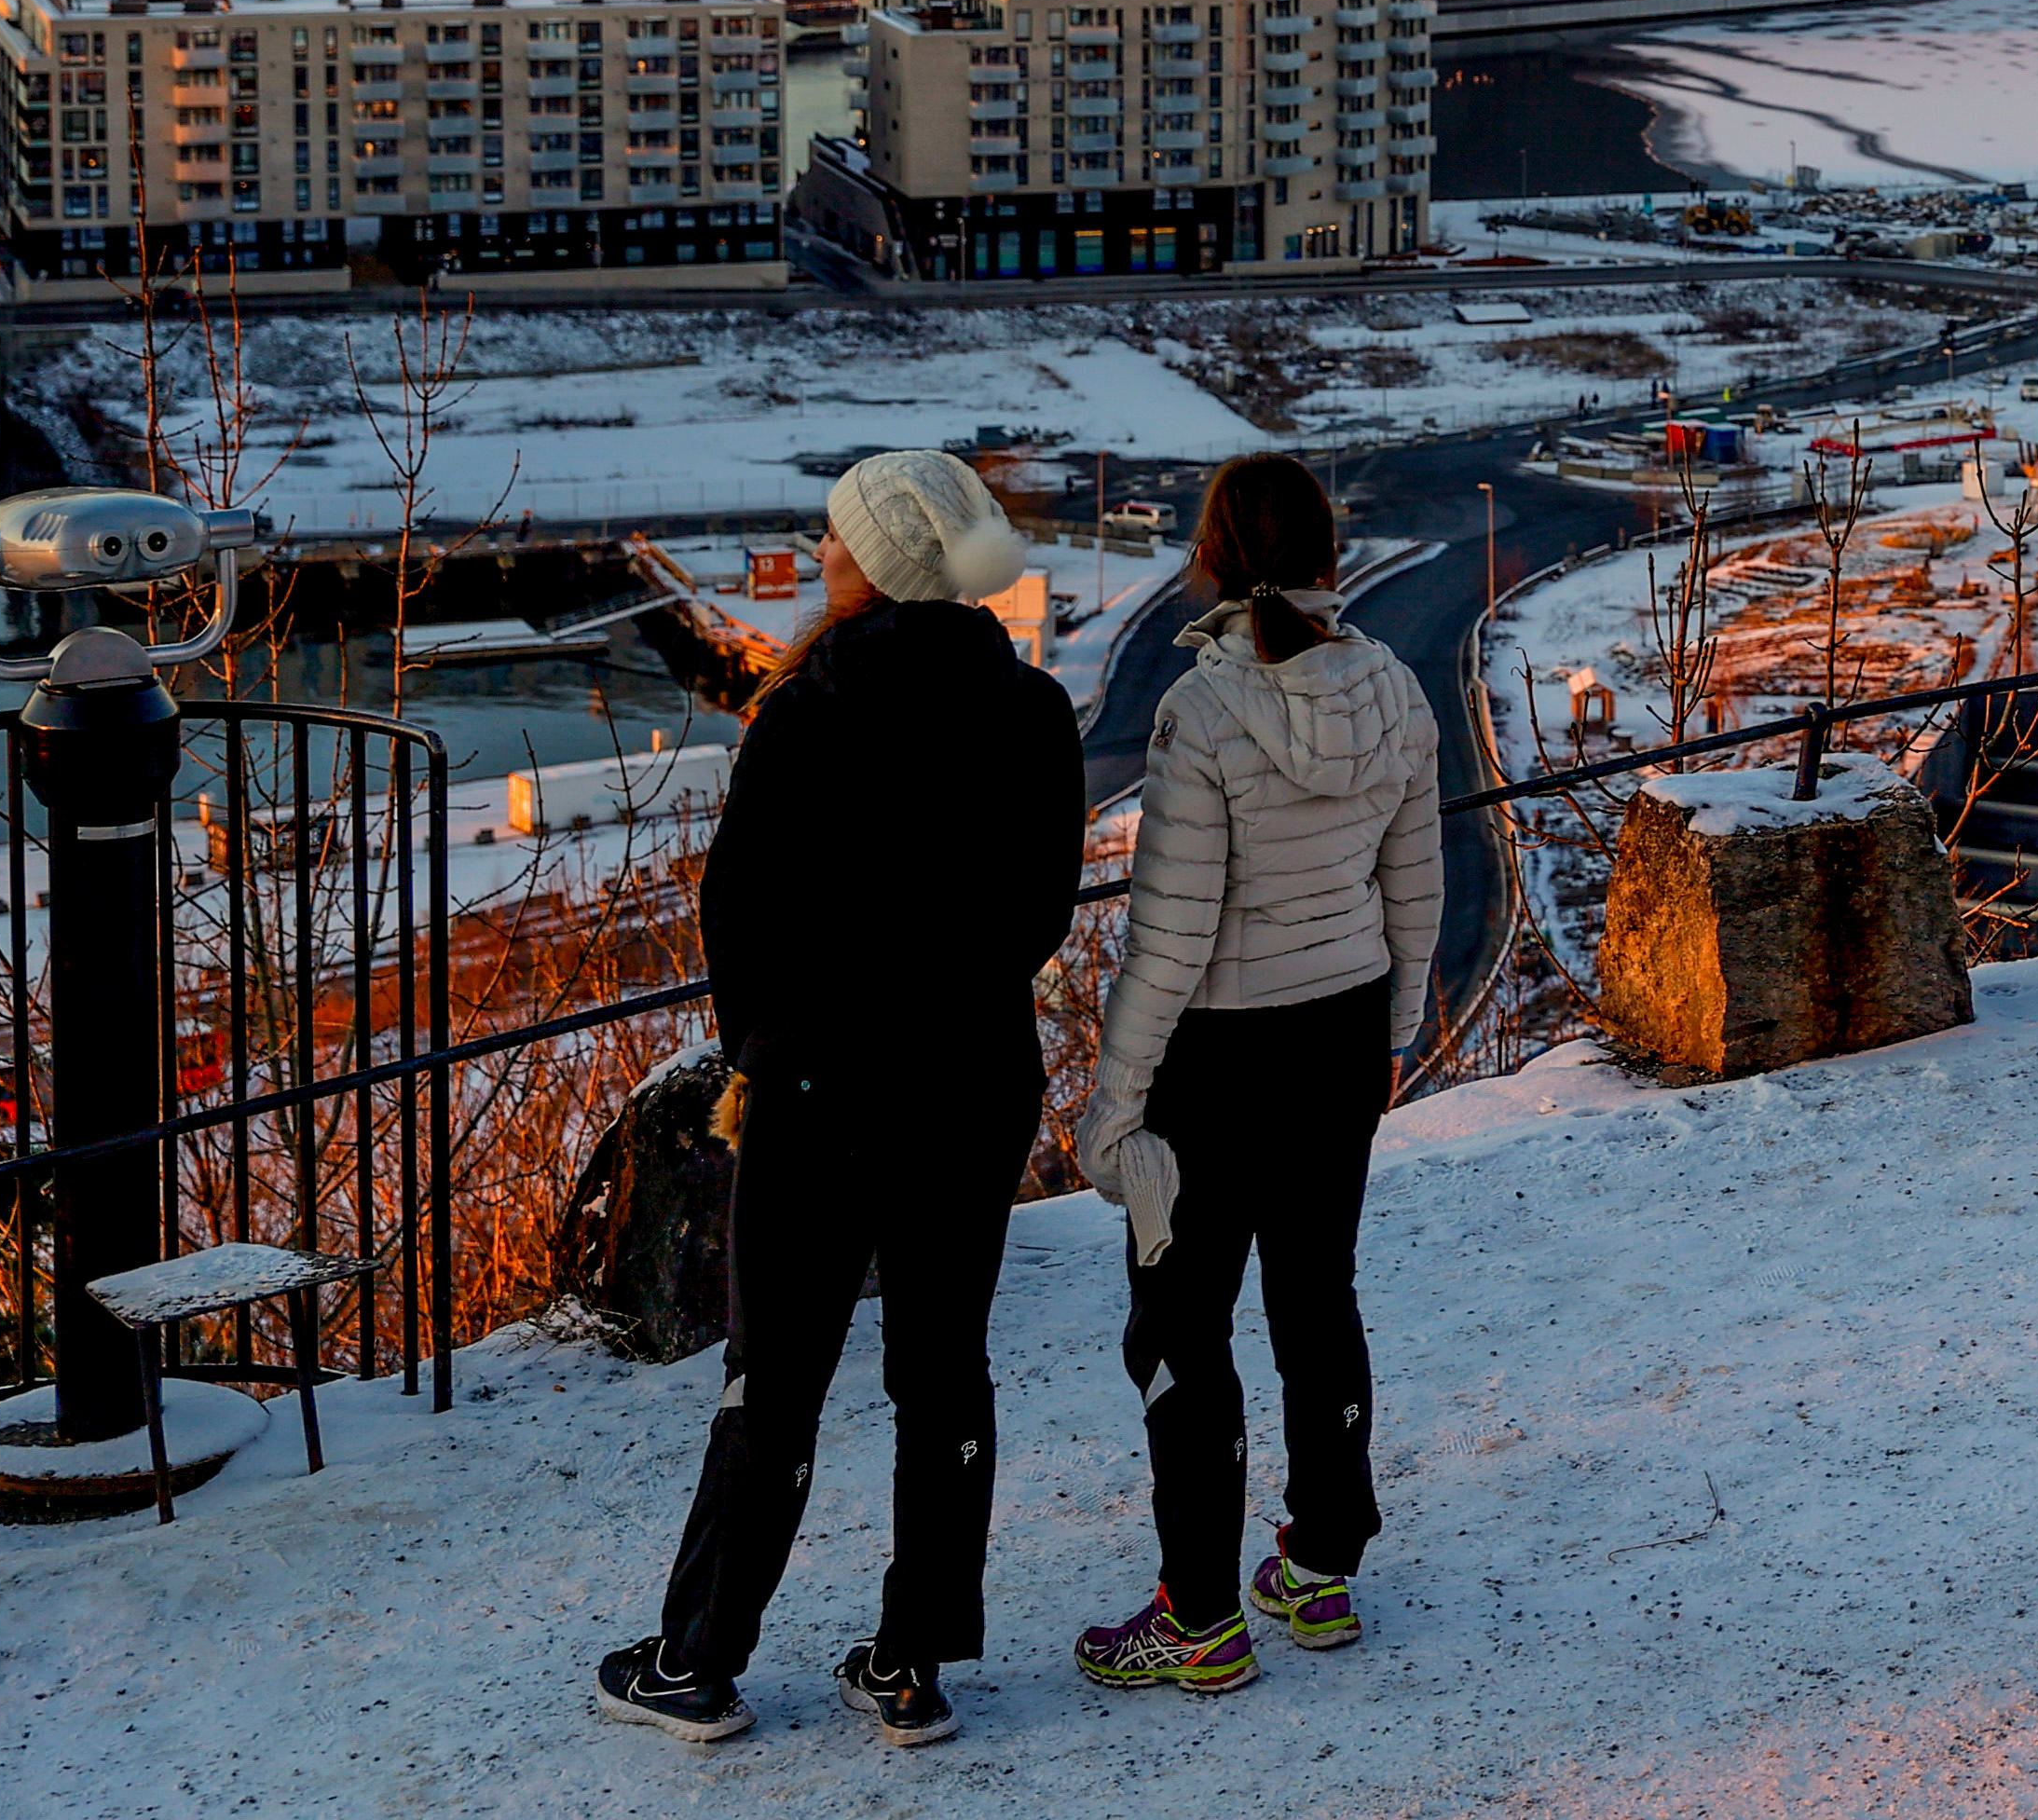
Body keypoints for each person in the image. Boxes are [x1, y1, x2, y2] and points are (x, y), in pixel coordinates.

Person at [600, 451, 1082, 1750]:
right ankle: (914, 1665)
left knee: (777, 1379)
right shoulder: (1031, 712)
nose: (819, 553)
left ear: (880, 561)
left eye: (835, 538)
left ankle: (699, 1659)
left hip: (823, 1089)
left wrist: (763, 1048)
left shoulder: (807, 713)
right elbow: (1042, 911)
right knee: (943, 1373)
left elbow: (737, 918)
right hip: (975, 1079)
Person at [1070, 453, 1443, 1692]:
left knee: (1182, 1326)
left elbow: (1168, 937)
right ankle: (1320, 1570)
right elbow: (1414, 889)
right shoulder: (1394, 691)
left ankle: (1199, 1613)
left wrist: (1114, 1102)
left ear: (1215, 557)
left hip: (1216, 1059)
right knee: (1316, 1300)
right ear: (1332, 555)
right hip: (1338, 1038)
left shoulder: (1204, 713)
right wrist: (1393, 1034)